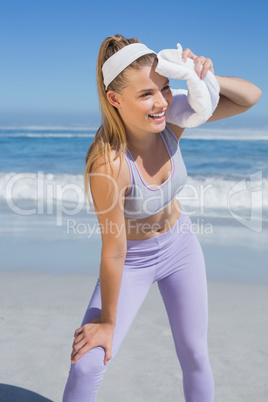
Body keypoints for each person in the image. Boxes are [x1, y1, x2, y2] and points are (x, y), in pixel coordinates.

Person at [62, 34, 262, 402]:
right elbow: (115, 251)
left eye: (166, 88)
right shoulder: (109, 163)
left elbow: (250, 97)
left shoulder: (171, 120)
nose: (160, 102)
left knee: (195, 354)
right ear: (114, 99)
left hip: (180, 248)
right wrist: (106, 322)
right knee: (88, 364)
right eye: (146, 95)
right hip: (133, 261)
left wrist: (203, 74)